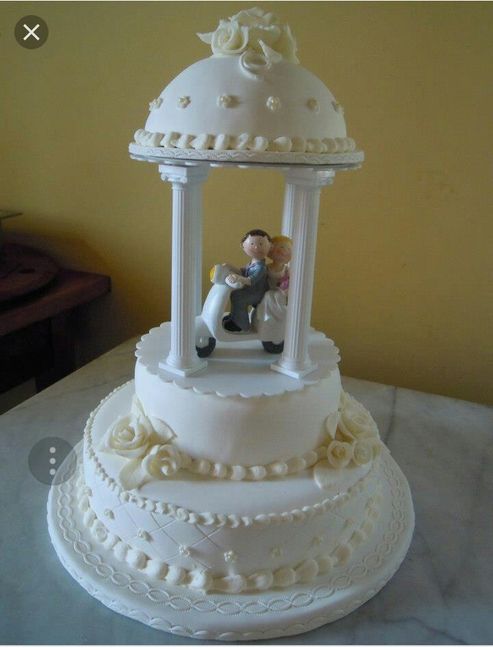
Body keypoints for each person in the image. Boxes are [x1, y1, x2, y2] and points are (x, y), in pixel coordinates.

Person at [223, 229, 272, 332]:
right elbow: (243, 271)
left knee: (239, 299)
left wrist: (238, 278)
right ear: (243, 246)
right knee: (235, 294)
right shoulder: (252, 263)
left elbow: (250, 280)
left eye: (261, 244)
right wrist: (230, 267)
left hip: (258, 293)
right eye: (252, 243)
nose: (256, 247)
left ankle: (242, 325)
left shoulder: (261, 267)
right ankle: (234, 318)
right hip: (250, 290)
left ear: (270, 246)